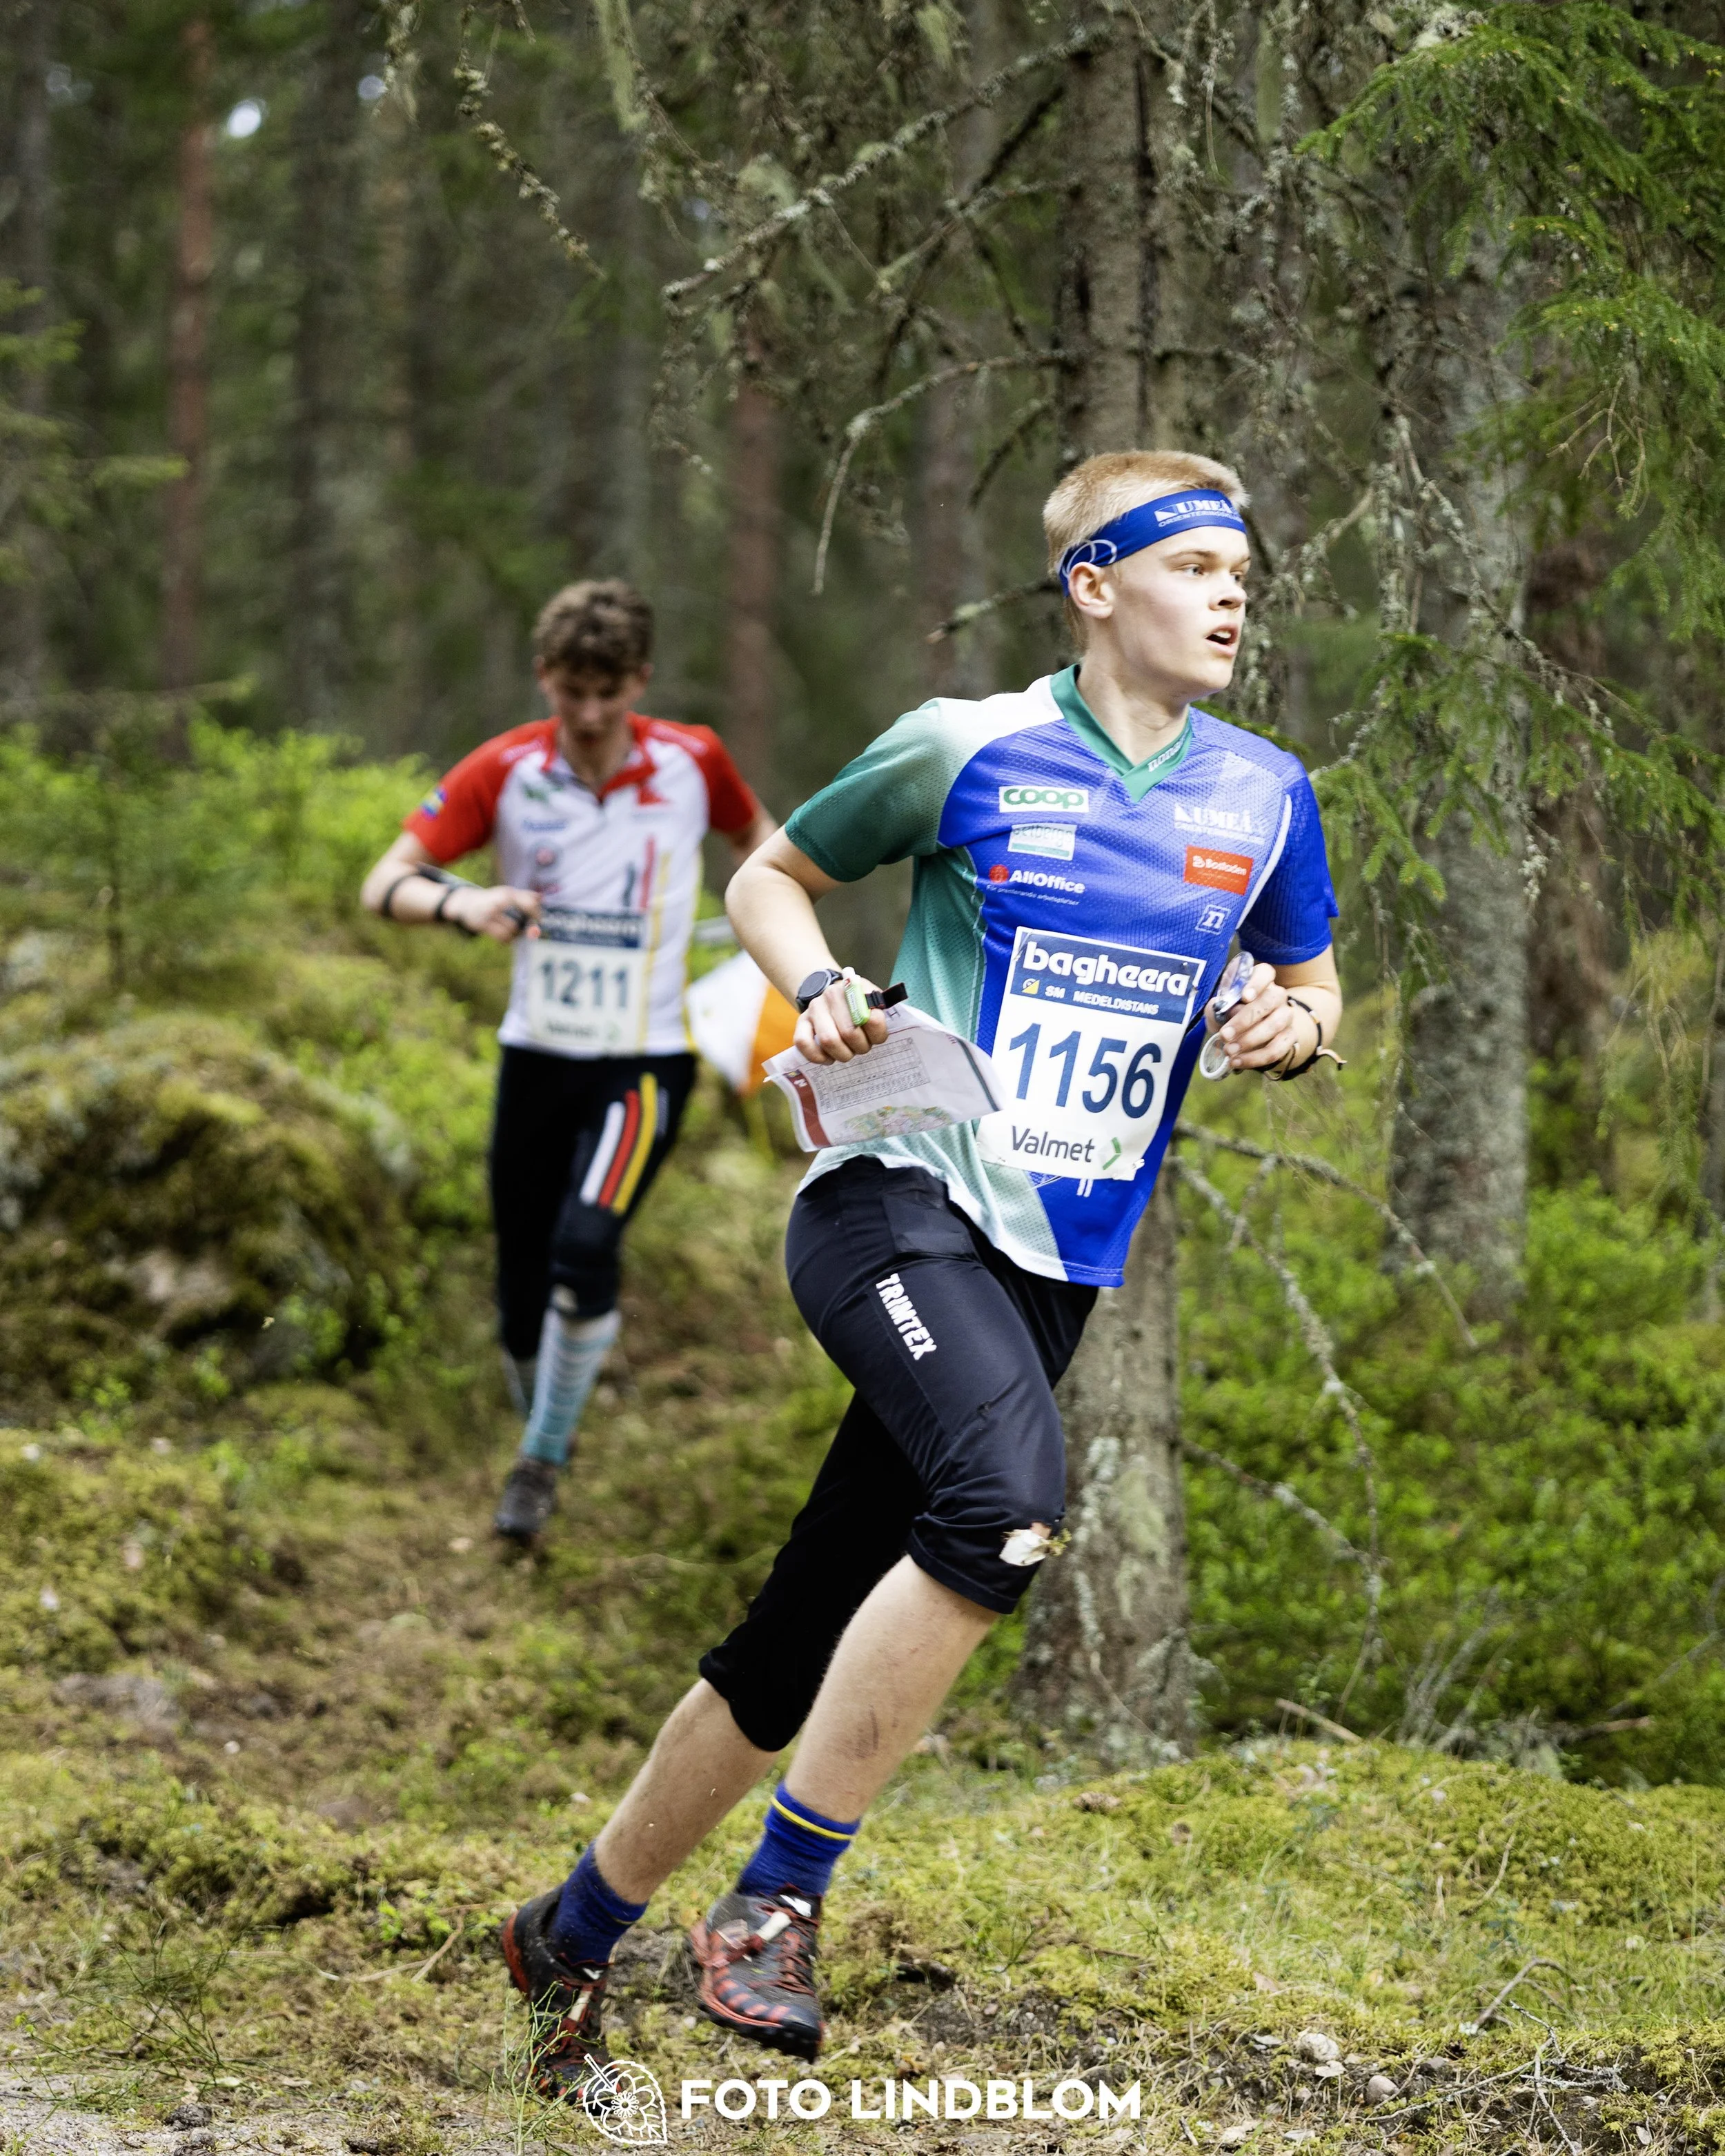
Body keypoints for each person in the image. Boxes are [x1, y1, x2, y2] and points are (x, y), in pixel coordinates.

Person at [499, 451, 1344, 2101]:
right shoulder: (967, 744)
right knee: (1005, 1502)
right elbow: (767, 876)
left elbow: (1312, 985)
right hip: (895, 1200)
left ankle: (569, 1926)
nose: (1232, 592)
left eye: (1244, 569)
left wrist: (1291, 1025)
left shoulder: (1263, 794)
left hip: (1053, 1261)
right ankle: (773, 1905)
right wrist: (816, 985)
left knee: (794, 1636)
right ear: (1093, 584)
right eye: (1192, 564)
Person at [360, 579, 775, 1543]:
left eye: (609, 693)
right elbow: (385, 882)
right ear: (544, 677)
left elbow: (761, 844)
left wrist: (768, 937)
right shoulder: (505, 769)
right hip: (536, 1057)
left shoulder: (692, 760)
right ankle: (542, 1417)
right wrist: (463, 905)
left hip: (644, 1064)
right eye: (570, 693)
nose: (589, 717)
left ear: (641, 680)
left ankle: (539, 1467)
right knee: (518, 1291)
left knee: (587, 1247)